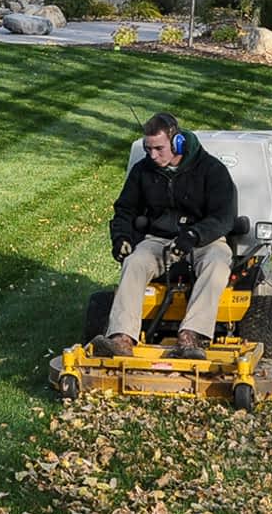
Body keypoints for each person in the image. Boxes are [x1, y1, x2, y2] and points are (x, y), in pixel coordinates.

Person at [92, 112, 237, 359]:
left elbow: (224, 217)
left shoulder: (212, 170)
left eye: (159, 148)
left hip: (203, 240)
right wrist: (122, 238)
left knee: (218, 261)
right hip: (159, 241)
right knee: (134, 262)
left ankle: (191, 336)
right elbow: (125, 210)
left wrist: (193, 234)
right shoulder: (143, 171)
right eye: (148, 149)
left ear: (178, 142)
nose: (152, 155)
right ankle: (121, 338)